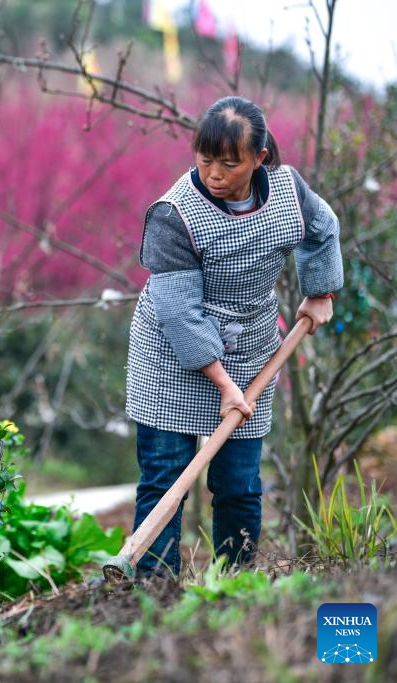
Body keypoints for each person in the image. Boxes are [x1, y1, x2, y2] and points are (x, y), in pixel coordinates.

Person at [125, 95, 343, 575]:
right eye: (205, 160)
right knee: (165, 477)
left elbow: (323, 228)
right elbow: (180, 314)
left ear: (259, 158)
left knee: (240, 484)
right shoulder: (173, 215)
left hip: (251, 352)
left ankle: (233, 583)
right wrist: (223, 387)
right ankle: (153, 595)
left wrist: (320, 290)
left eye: (229, 163)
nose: (214, 174)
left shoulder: (288, 192)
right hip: (169, 354)